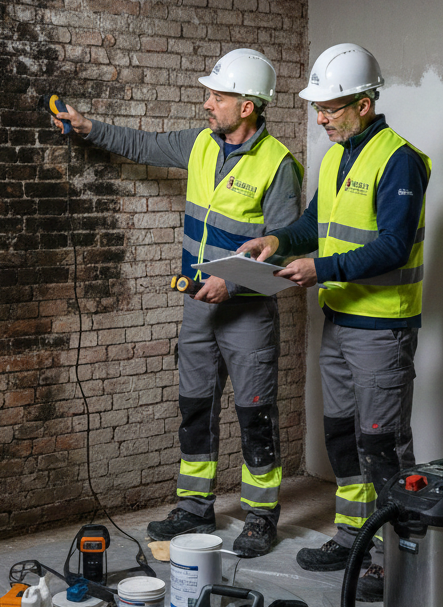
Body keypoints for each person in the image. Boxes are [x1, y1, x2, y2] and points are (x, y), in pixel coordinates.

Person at [52, 49, 303, 558]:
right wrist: (87, 127)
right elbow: (142, 143)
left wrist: (232, 287)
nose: (207, 103)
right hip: (197, 307)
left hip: (247, 312)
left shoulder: (279, 165)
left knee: (255, 414)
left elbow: (285, 246)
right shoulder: (199, 144)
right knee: (195, 407)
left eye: (217, 95)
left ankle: (260, 515)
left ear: (248, 106)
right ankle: (194, 507)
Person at [237, 43, 430, 602]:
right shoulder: (338, 154)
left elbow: (393, 246)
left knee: (384, 446)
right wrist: (279, 239)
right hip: (340, 321)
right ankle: (353, 539)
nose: (319, 117)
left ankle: (393, 558)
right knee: (343, 438)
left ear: (365, 103)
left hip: (382, 329)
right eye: (317, 107)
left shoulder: (399, 159)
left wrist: (320, 267)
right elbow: (318, 222)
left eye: (330, 107)